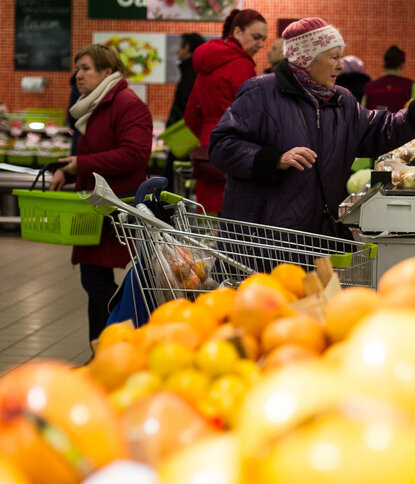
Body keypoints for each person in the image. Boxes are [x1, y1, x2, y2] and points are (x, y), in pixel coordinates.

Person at [208, 17, 415, 236]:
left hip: (314, 235)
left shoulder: (342, 100)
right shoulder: (261, 91)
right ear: (307, 59)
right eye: (334, 57)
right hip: (263, 238)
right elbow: (222, 145)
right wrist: (275, 159)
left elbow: (379, 130)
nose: (340, 65)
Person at [49, 44, 153, 345]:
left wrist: (81, 164)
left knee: (97, 281)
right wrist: (68, 169)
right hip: (97, 207)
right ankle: (102, 347)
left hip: (117, 208)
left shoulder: (126, 103)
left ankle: (125, 339)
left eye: (85, 68)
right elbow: (95, 150)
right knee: (93, 279)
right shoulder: (93, 105)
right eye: (77, 69)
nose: (78, 75)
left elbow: (135, 155)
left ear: (107, 71)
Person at [184, 8, 267, 215]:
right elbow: (252, 117)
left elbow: (189, 114)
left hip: (208, 155)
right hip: (236, 154)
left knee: (209, 227)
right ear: (237, 32)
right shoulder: (242, 64)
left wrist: (208, 135)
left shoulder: (205, 63)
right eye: (256, 37)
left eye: (264, 39)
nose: (261, 44)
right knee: (234, 229)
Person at [162, 32, 206, 188]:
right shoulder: (196, 71)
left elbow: (186, 106)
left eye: (180, 46)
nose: (177, 51)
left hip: (184, 136)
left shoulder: (191, 72)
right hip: (187, 136)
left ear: (187, 47)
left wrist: (172, 126)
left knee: (171, 183)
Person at [363, 45, 415, 112]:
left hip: (374, 122)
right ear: (402, 65)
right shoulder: (410, 86)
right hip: (400, 122)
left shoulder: (369, 86)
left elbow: (362, 113)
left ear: (385, 64)